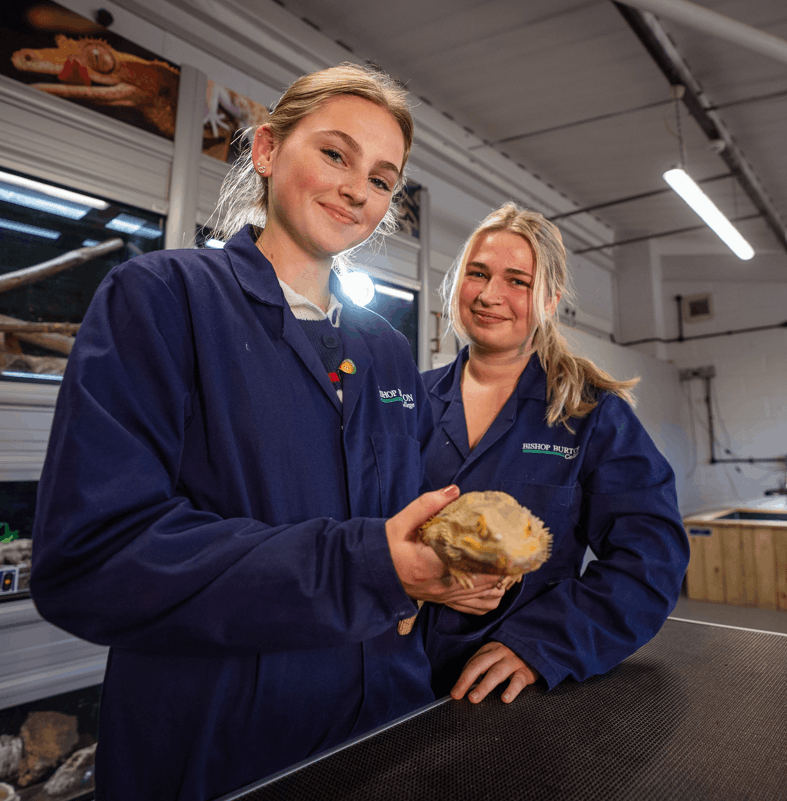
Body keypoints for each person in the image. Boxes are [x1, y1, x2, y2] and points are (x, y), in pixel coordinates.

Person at [30, 64, 501, 801]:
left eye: (382, 179)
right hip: (221, 745)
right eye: (336, 155)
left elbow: (397, 524)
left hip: (384, 724)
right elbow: (93, 558)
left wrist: (446, 570)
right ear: (268, 151)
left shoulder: (383, 348)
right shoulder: (162, 298)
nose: (357, 190)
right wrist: (368, 566)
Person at [419, 203, 690, 705]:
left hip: (509, 692)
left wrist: (542, 644)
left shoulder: (590, 415)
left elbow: (651, 558)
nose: (489, 294)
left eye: (517, 281)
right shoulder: (406, 401)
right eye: (477, 273)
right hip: (387, 675)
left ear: (549, 300)